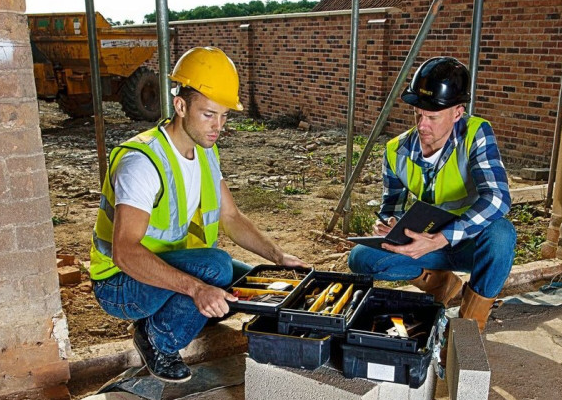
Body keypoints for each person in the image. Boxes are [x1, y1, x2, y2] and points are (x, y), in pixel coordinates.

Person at [90, 46, 305, 381]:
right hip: (120, 284)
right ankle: (157, 339)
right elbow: (124, 252)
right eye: (208, 115)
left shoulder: (206, 151)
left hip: (168, 267)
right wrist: (196, 289)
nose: (218, 126)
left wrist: (278, 257)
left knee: (248, 285)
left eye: (224, 116)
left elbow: (231, 217)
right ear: (180, 106)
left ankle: (176, 313)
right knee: (217, 267)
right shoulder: (142, 163)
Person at [348, 56, 516, 331]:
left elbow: (498, 198)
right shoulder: (396, 151)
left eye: (432, 117)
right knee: (361, 258)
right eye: (418, 114)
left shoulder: (476, 133)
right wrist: (388, 223)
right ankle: (441, 284)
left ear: (457, 113)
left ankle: (469, 327)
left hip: (471, 243)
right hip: (425, 243)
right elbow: (391, 206)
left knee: (502, 234)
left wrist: (441, 238)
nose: (422, 125)